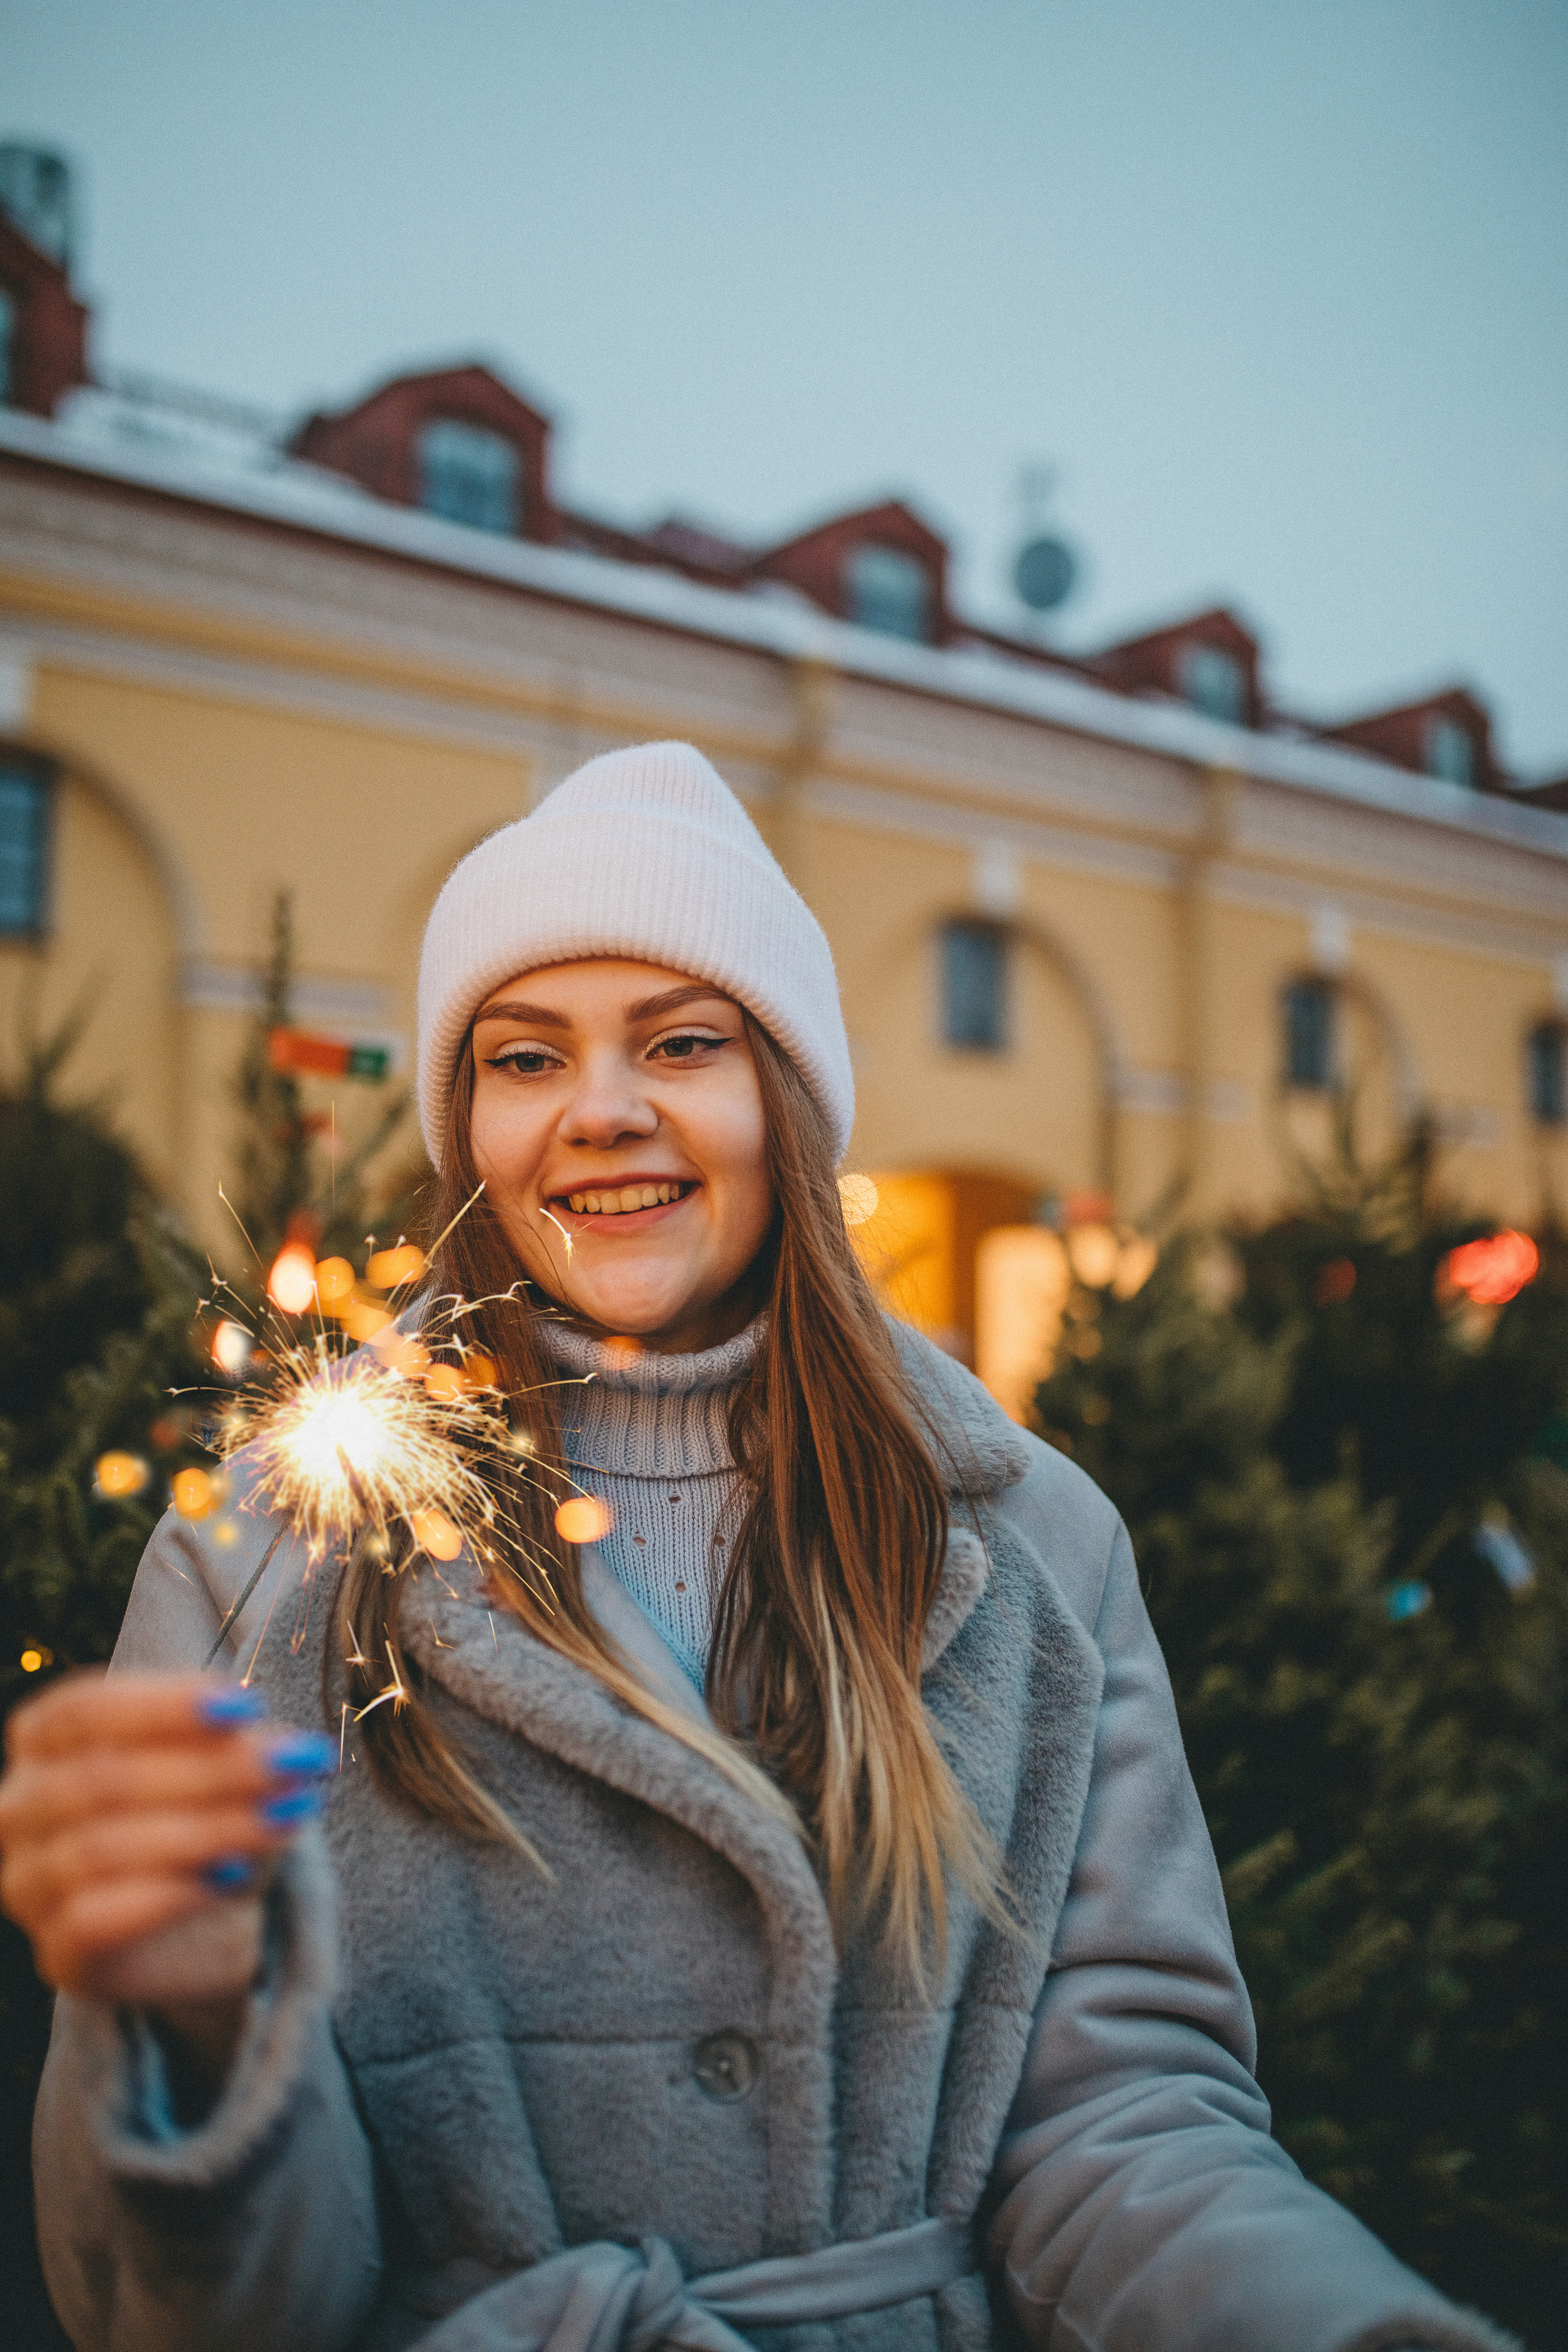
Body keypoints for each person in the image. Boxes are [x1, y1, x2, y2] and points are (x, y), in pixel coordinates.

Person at [0, 744, 1514, 2352]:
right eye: (525, 1057)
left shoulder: (1028, 1537)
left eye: (682, 1042)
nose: (602, 1111)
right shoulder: (270, 1551)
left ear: (784, 1097)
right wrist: (197, 2025)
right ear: (467, 1125)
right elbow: (182, 2310)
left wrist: (1346, 2332)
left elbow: (1121, 2122)